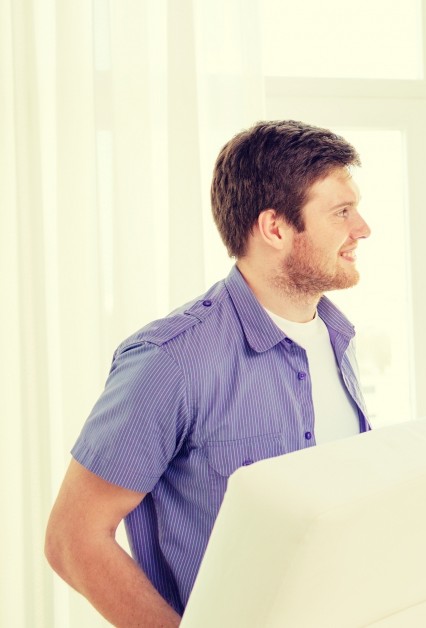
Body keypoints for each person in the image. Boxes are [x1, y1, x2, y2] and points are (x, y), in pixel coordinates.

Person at [44, 120, 373, 626]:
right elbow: (73, 540)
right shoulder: (169, 361)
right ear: (275, 228)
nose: (362, 229)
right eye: (342, 212)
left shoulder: (337, 339)